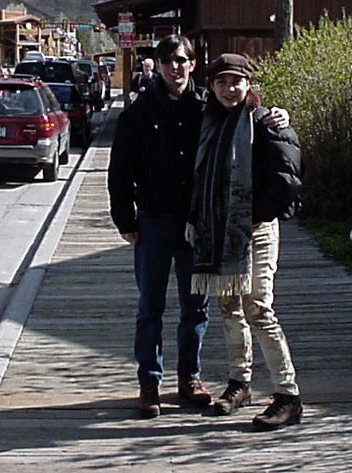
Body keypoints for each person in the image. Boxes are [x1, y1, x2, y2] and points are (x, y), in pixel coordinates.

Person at [108, 36, 288, 418]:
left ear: (192, 64)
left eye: (182, 60)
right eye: (167, 60)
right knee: (150, 307)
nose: (175, 67)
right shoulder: (137, 114)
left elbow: (247, 110)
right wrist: (125, 220)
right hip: (154, 223)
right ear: (156, 65)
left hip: (200, 225)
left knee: (197, 306)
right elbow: (120, 172)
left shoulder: (206, 107)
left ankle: (190, 377)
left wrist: (279, 114)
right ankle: (149, 383)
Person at [187, 53, 304, 432]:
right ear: (212, 86)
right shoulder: (206, 122)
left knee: (258, 308)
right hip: (218, 231)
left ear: (248, 84)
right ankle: (240, 383)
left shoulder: (266, 121)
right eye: (221, 82)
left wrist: (255, 213)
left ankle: (287, 395)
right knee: (227, 305)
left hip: (256, 229)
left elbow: (287, 177)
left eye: (236, 82)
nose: (229, 89)